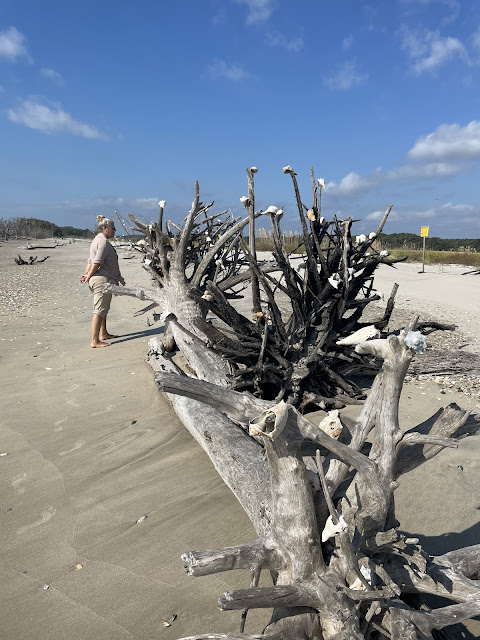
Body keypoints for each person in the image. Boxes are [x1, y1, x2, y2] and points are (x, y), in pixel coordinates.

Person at [80, 215, 125, 348]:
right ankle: (95, 341)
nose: (115, 230)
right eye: (113, 228)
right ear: (105, 228)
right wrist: (88, 276)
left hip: (103, 278)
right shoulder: (103, 242)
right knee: (99, 310)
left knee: (104, 309)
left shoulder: (97, 240)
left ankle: (103, 333)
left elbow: (91, 261)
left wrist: (87, 274)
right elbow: (96, 262)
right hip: (102, 280)